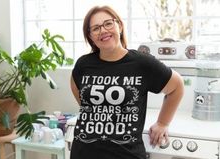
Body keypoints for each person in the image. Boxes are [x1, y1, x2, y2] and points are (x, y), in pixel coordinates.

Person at [70, 5, 184, 159]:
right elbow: (80, 95)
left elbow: (177, 87)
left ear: (120, 26)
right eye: (96, 28)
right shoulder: (83, 64)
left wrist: (163, 123)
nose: (103, 30)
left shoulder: (142, 63)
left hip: (126, 154)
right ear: (90, 37)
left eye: (108, 23)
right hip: (84, 153)